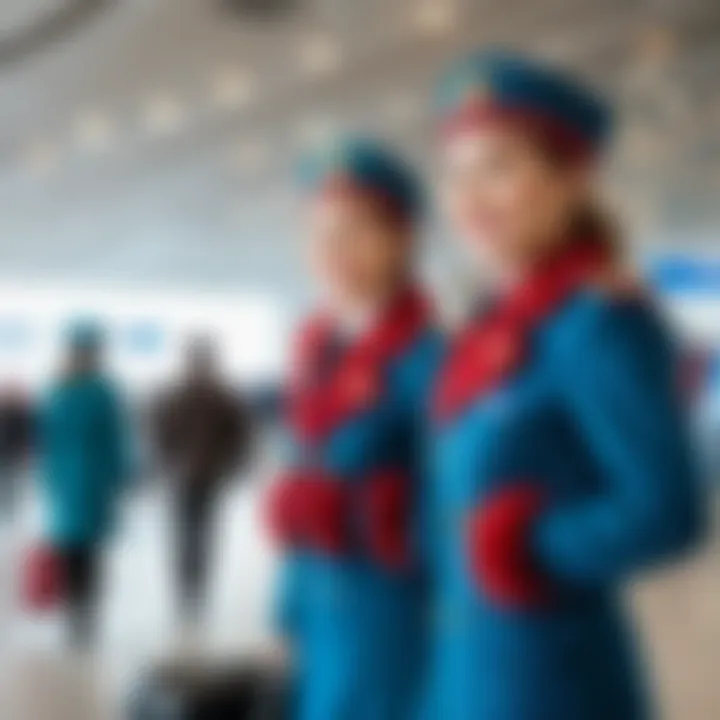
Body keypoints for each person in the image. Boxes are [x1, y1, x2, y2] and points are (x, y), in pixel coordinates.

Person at [424, 51, 707, 720]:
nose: (469, 200)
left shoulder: (599, 326)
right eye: (456, 174)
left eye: (499, 167)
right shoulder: (494, 328)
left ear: (574, 180)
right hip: (469, 664)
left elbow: (668, 510)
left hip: (550, 681)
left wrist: (528, 543)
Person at [265, 137, 443, 720]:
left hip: (394, 613)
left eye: (357, 231)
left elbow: (462, 503)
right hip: (318, 607)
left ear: (403, 240)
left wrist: (365, 512)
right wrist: (286, 612)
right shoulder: (315, 349)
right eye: (321, 234)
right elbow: (305, 477)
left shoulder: (429, 358)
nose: (334, 250)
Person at [39, 320, 129, 649]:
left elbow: (48, 441)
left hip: (70, 482)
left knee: (73, 550)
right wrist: (120, 476)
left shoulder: (59, 389)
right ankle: (84, 617)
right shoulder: (101, 391)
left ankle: (76, 616)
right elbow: (116, 441)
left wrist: (48, 478)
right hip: (90, 481)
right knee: (86, 552)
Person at [154, 336, 251, 624]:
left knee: (185, 533)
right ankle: (197, 593)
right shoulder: (222, 396)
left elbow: (160, 434)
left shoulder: (176, 395)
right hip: (209, 473)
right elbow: (239, 437)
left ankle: (186, 592)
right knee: (204, 533)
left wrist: (169, 461)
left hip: (184, 474)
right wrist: (230, 464)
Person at [0, 382, 34, 520]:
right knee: (7, 482)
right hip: (7, 454)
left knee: (9, 483)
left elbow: (25, 436)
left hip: (11, 456)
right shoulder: (10, 414)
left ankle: (7, 508)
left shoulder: (19, 415)